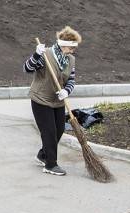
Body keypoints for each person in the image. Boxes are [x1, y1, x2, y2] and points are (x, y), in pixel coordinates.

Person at [24, 26, 81, 176]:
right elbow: (27, 69)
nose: (73, 50)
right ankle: (50, 164)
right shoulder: (45, 55)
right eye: (71, 47)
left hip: (58, 101)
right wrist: (36, 55)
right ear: (63, 44)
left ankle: (43, 155)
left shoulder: (71, 60)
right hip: (41, 99)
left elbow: (71, 80)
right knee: (49, 132)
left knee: (59, 130)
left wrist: (66, 91)